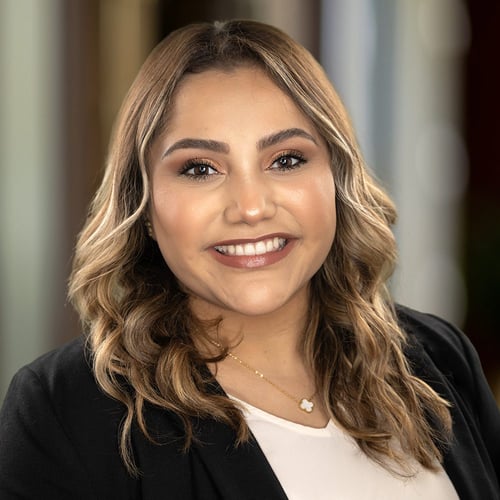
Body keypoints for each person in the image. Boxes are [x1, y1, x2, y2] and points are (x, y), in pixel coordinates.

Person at [0, 19, 498, 500]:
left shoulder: (438, 358)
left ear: (337, 179)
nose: (251, 207)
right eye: (200, 169)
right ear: (143, 204)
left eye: (286, 160)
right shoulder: (64, 412)